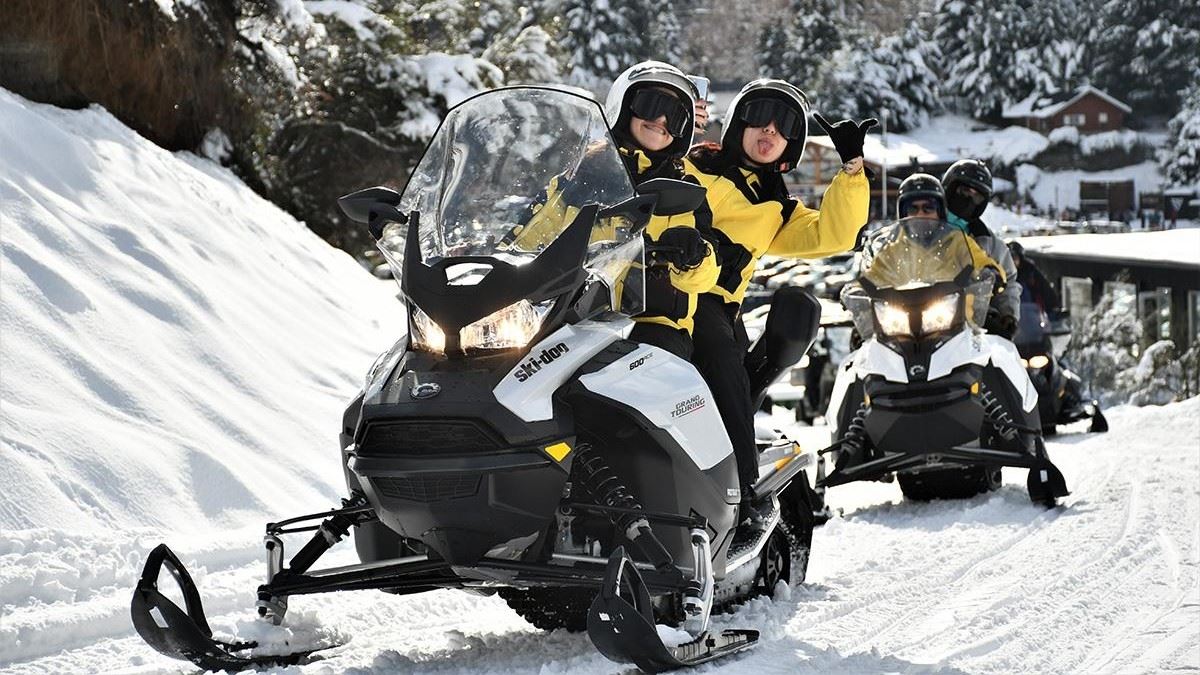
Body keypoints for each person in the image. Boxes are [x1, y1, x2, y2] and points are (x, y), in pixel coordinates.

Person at [683, 78, 871, 529]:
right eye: (759, 119)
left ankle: (742, 494)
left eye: (783, 126)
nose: (769, 132)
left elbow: (836, 234)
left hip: (709, 306)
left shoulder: (778, 208)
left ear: (792, 144)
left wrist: (851, 172)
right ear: (738, 124)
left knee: (725, 365)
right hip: (641, 289)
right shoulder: (692, 162)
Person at [508, 62, 718, 359]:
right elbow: (524, 241)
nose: (660, 119)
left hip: (651, 327)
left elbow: (707, 276)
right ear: (625, 106)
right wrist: (490, 261)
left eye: (675, 117)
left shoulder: (686, 188)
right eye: (651, 105)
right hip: (568, 322)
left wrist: (694, 255)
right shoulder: (576, 180)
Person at [941, 159, 1021, 339]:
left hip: (974, 327)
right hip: (917, 316)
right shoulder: (926, 228)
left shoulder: (988, 242)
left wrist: (1007, 315)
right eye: (964, 191)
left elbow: (1008, 280)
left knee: (1005, 363)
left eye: (977, 196)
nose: (969, 199)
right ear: (949, 189)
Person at [1008, 241, 1061, 316]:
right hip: (1011, 314)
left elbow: (1045, 288)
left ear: (1020, 258)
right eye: (1010, 258)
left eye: (1015, 258)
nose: (1013, 261)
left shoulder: (1030, 271)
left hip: (1032, 314)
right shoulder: (1003, 274)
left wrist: (1053, 306)